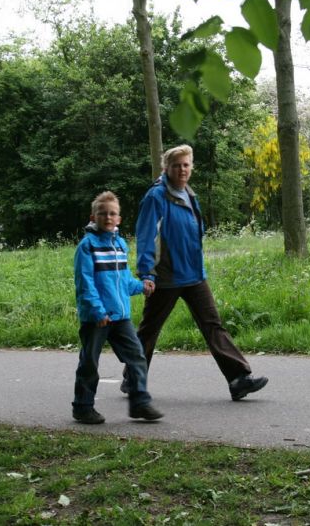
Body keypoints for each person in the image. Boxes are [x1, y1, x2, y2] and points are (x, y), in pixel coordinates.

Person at [124, 145, 269, 401]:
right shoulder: (156, 197)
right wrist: (147, 273)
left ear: (191, 167)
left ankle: (238, 379)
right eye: (176, 165)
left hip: (194, 275)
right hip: (166, 276)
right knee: (149, 329)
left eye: (186, 165)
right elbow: (146, 237)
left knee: (213, 325)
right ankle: (133, 378)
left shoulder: (189, 194)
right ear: (166, 168)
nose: (182, 169)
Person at [73, 191, 163, 424]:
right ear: (93, 217)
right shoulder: (87, 246)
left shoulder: (120, 245)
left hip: (120, 316)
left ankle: (140, 402)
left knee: (137, 356)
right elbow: (85, 283)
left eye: (112, 213)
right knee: (90, 361)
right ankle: (83, 406)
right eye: (102, 213)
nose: (108, 217)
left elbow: (123, 280)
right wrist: (97, 311)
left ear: (119, 219)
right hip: (97, 317)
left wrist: (141, 286)